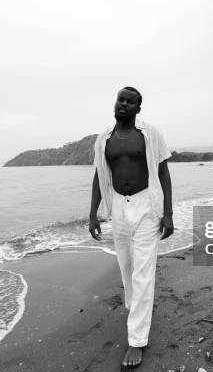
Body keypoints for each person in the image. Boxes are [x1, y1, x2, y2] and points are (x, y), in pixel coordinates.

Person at [89, 86, 174, 367]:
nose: (123, 104)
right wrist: (93, 214)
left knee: (143, 272)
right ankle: (139, 307)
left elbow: (163, 172)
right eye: (120, 99)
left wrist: (168, 213)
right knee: (126, 267)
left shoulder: (150, 135)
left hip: (146, 206)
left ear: (139, 108)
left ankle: (137, 340)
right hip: (118, 208)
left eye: (130, 101)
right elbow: (99, 175)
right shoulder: (104, 140)